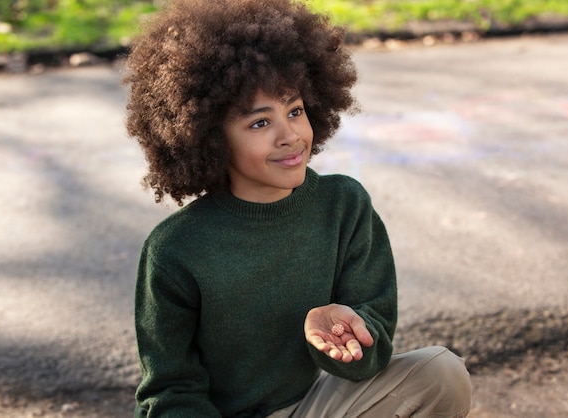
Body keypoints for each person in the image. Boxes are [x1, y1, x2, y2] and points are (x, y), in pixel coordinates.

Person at [123, 0, 472, 417]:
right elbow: (171, 391)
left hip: (313, 406)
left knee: (440, 372)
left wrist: (345, 330)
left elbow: (373, 351)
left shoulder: (343, 205)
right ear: (208, 137)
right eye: (259, 122)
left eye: (295, 110)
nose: (289, 135)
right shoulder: (175, 249)